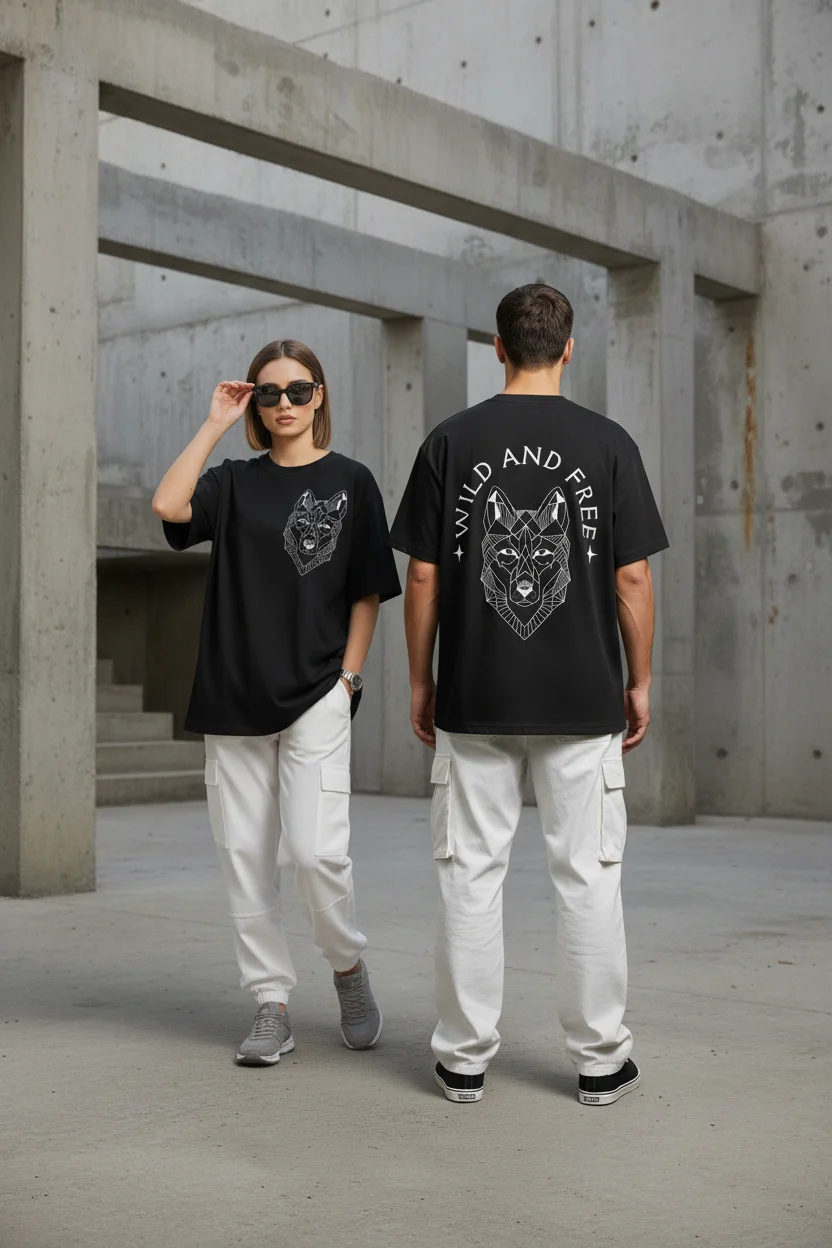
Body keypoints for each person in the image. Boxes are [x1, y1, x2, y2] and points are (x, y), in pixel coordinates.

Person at [390, 284, 669, 1106]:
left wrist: (421, 678)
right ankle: (600, 1062)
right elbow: (631, 578)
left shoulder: (451, 440)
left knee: (469, 875)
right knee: (588, 877)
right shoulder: (608, 443)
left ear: (499, 348)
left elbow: (423, 576)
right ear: (569, 348)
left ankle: (463, 1059)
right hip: (583, 698)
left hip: (474, 696)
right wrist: (640, 679)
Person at [153, 339, 401, 1066]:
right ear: (254, 404)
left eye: (297, 390)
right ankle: (271, 1001)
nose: (284, 403)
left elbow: (366, 591)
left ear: (319, 395)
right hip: (232, 693)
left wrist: (348, 680)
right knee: (244, 855)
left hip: (318, 692)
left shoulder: (352, 481)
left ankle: (347, 967)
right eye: (269, 393)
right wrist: (214, 424)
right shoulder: (232, 482)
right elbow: (169, 506)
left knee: (317, 854)